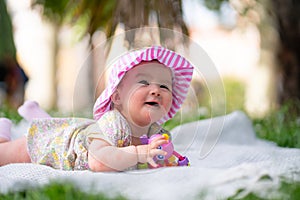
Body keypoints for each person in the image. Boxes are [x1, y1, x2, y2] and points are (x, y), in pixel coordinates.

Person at [0, 46, 194, 172]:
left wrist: (164, 160)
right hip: (55, 146)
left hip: (82, 131)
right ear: (117, 97)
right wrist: (140, 153)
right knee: (4, 155)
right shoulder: (114, 122)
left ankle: (37, 116)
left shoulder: (157, 133)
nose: (156, 91)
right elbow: (98, 161)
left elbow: (148, 161)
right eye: (143, 82)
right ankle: (4, 133)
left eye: (164, 86)